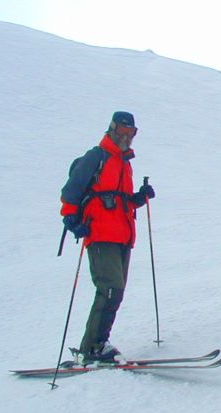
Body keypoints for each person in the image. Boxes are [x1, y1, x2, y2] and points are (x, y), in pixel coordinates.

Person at [60, 111, 155, 363]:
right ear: (112, 128)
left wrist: (139, 197)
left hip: (122, 236)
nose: (127, 137)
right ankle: (93, 348)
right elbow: (71, 192)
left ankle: (96, 345)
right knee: (111, 288)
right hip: (100, 234)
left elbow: (118, 201)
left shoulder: (124, 163)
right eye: (123, 131)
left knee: (116, 291)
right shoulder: (96, 157)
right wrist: (71, 218)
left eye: (131, 133)